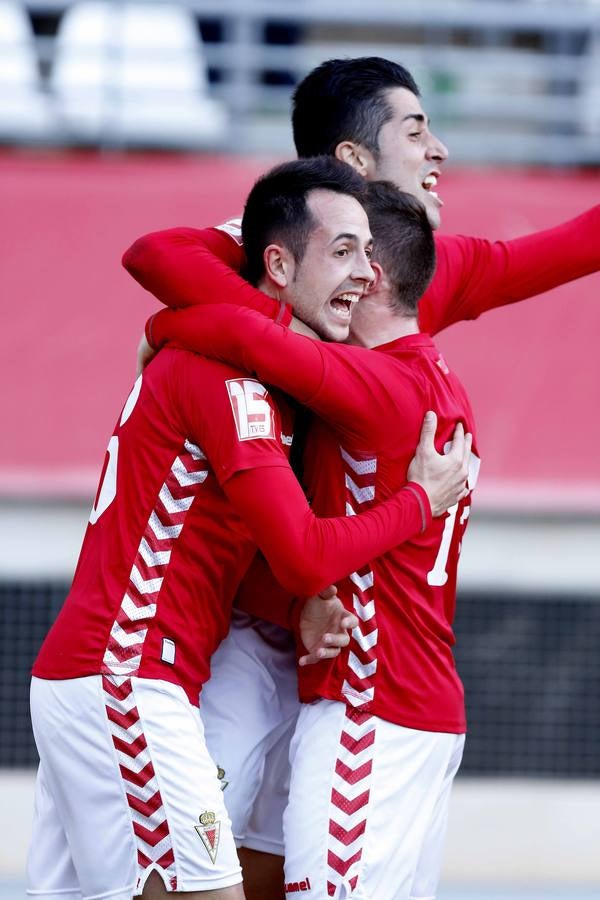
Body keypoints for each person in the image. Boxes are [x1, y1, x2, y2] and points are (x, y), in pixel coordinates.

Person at [122, 55, 600, 900]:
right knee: (183, 870)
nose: (440, 149)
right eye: (416, 130)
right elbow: (151, 251)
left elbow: (575, 244)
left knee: (266, 873)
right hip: (246, 633)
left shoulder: (420, 275)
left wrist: (221, 335)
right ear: (351, 161)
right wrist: (285, 330)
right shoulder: (269, 257)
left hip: (346, 657)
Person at [27, 159, 469, 900]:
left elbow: (223, 554)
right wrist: (418, 504)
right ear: (277, 262)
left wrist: (302, 606)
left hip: (115, 675)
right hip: (127, 676)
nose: (365, 274)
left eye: (368, 253)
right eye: (342, 252)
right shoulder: (235, 383)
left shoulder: (243, 374)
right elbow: (300, 552)